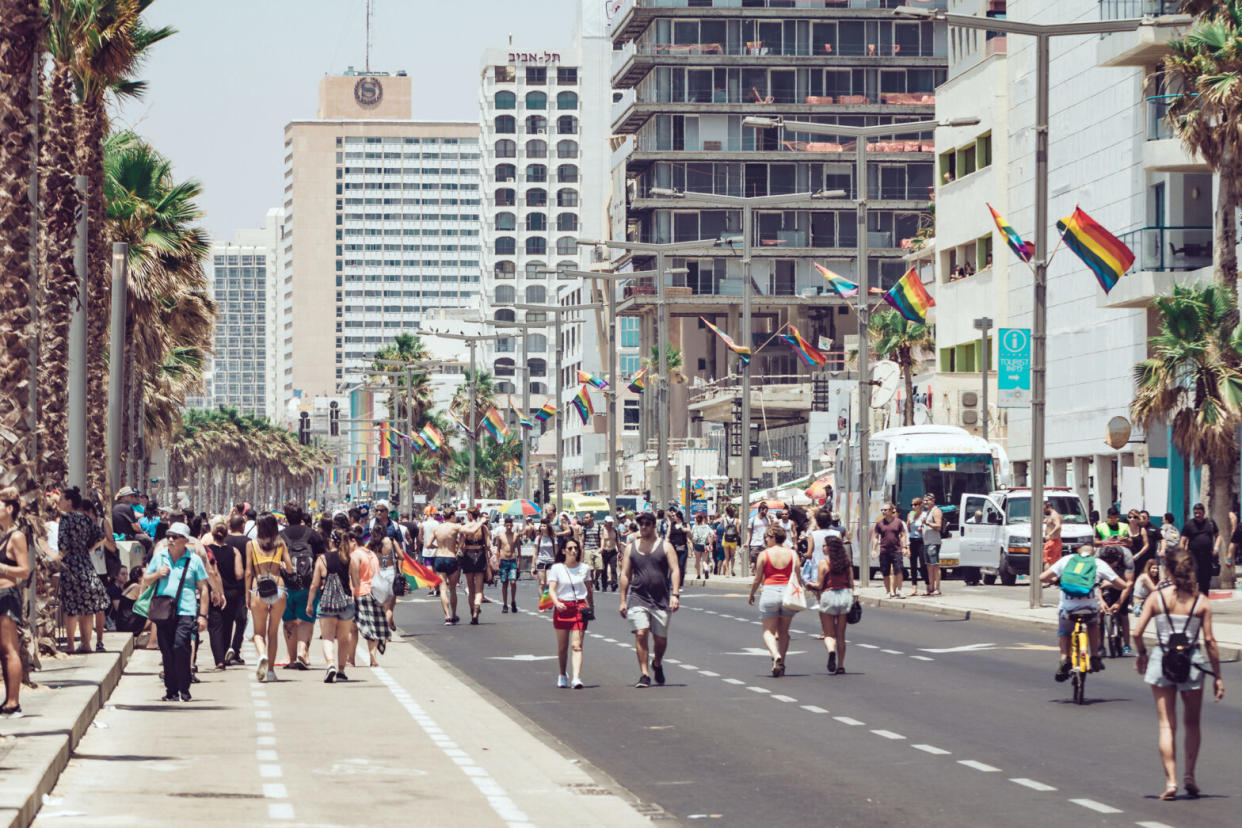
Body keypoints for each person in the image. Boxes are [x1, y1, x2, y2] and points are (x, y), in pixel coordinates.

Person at [1133, 549, 1224, 800]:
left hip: (1162, 658)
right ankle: (1189, 776)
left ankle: (1171, 781)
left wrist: (1141, 654)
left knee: (1166, 723)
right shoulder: (1201, 601)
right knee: (1192, 723)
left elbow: (1137, 632)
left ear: (1168, 570)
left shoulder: (1156, 598)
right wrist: (1217, 675)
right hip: (1192, 660)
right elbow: (1210, 641)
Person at [1039, 537, 1130, 681]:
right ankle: (1094, 656)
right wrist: (1108, 584)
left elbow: (1042, 577)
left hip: (1068, 607)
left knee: (1064, 631)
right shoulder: (1098, 563)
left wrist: (1053, 580)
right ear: (1093, 552)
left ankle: (1064, 658)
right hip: (1089, 608)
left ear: (1077, 551)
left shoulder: (1066, 559)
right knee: (1093, 624)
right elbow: (1122, 585)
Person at [142, 522, 210, 702]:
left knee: (181, 646)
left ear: (185, 540)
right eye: (168, 536)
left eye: (175, 537)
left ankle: (184, 687)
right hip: (164, 611)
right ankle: (171, 690)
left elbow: (203, 588)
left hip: (186, 610)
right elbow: (146, 580)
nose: (170, 540)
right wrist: (157, 574)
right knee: (167, 650)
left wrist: (202, 616)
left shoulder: (193, 560)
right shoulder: (160, 557)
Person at [619, 511, 680, 688]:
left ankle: (657, 663)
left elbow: (675, 570)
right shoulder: (631, 547)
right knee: (641, 632)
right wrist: (623, 600)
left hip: (661, 598)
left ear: (654, 526)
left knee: (660, 640)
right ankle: (644, 674)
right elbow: (625, 574)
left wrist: (675, 594)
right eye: (641, 524)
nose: (643, 527)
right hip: (638, 597)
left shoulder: (666, 546)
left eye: (647, 524)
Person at [55, 487, 111, 654]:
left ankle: (71, 644)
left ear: (69, 501)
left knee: (71, 607)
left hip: (71, 565)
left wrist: (56, 559)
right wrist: (87, 550)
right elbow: (101, 537)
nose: (59, 503)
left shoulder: (65, 520)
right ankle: (86, 644)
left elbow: (63, 545)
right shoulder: (85, 518)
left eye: (62, 500)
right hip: (86, 563)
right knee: (87, 607)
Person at [307, 526, 360, 683]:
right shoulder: (350, 560)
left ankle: (330, 664)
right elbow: (356, 584)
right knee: (344, 639)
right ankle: (342, 671)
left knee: (328, 638)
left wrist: (310, 604)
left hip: (326, 603)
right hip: (346, 603)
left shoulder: (322, 560)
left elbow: (314, 585)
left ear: (331, 541)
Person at [245, 514, 293, 682]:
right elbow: (290, 569)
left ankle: (262, 655)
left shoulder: (250, 545)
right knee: (273, 632)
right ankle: (271, 671)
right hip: (278, 589)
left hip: (258, 590)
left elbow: (248, 572)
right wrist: (279, 564)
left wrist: (246, 596)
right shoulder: (281, 545)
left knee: (258, 633)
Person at [748, 525, 801, 677]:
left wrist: (751, 593)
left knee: (768, 631)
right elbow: (798, 576)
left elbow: (758, 578)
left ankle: (775, 654)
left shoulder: (764, 554)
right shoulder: (792, 554)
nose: (765, 539)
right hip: (787, 593)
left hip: (770, 592)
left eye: (767, 537)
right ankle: (782, 662)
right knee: (784, 632)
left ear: (773, 538)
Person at [279, 503, 325, 670]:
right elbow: (321, 559)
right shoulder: (313, 535)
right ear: (302, 516)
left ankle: (291, 659)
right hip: (308, 584)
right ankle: (302, 651)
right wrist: (322, 581)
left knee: (288, 620)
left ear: (285, 517)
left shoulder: (280, 536)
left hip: (286, 584)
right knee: (306, 619)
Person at [0, 487, 32, 717]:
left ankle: (13, 702)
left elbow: (24, 570)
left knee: (10, 649)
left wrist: (2, 568)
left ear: (9, 508)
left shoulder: (17, 536)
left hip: (7, 596)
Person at [548, 538, 593, 689]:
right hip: (562, 607)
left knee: (577, 645)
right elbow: (552, 589)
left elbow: (589, 590)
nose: (574, 551)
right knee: (562, 647)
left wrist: (591, 607)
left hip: (579, 607)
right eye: (570, 548)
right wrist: (556, 602)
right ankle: (562, 674)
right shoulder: (556, 568)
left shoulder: (585, 568)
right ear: (563, 551)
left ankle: (576, 677)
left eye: (576, 548)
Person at [203, 520, 242, 670]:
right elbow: (239, 574)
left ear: (212, 535)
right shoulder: (234, 551)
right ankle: (226, 652)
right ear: (226, 535)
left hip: (214, 591)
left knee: (215, 627)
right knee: (227, 624)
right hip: (232, 593)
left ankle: (219, 659)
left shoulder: (208, 551)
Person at [816, 535, 855, 675]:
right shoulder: (847, 562)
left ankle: (831, 652)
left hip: (828, 597)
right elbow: (851, 584)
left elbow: (819, 585)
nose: (823, 548)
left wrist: (809, 585)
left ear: (830, 548)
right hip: (844, 597)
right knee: (841, 635)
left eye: (824, 545)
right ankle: (840, 665)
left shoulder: (824, 563)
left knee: (828, 634)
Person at [355, 532, 391, 663]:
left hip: (360, 593)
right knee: (374, 626)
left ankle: (351, 659)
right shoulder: (374, 556)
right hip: (375, 593)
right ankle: (373, 656)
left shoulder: (356, 555)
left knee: (355, 628)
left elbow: (353, 577)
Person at [366, 501, 402, 633]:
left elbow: (365, 550)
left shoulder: (373, 542)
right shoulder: (390, 540)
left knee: (380, 604)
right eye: (377, 510)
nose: (379, 513)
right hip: (390, 571)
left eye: (381, 510)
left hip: (377, 572)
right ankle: (386, 628)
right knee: (389, 606)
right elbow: (401, 555)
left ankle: (382, 628)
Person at [221, 513, 250, 665]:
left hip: (225, 585)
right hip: (243, 586)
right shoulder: (249, 542)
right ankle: (235, 650)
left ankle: (225, 649)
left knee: (226, 620)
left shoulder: (224, 541)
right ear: (242, 526)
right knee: (241, 619)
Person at [458, 506, 492, 625]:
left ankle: (472, 610)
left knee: (470, 588)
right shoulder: (483, 528)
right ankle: (477, 610)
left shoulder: (465, 528)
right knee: (479, 589)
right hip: (481, 556)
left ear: (470, 515)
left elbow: (461, 545)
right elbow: (488, 545)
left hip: (468, 557)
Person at [431, 511, 463, 624]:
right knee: (453, 589)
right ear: (452, 516)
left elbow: (427, 544)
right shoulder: (455, 527)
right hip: (451, 557)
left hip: (439, 557)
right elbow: (466, 533)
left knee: (443, 589)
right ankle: (454, 614)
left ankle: (447, 615)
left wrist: (437, 546)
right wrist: (460, 546)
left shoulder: (437, 528)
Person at [1180, 503, 1218, 597]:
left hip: (1207, 557)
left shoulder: (1210, 522)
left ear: (1204, 513)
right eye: (1195, 513)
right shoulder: (1189, 524)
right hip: (1193, 557)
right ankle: (1192, 603)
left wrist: (1216, 548)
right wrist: (1182, 555)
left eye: (1199, 513)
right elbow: (1182, 541)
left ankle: (1203, 603)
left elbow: (1218, 536)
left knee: (1205, 582)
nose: (1197, 515)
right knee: (1192, 580)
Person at [871, 503, 908, 599]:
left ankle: (899, 590)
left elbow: (903, 535)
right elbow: (876, 537)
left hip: (896, 550)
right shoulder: (879, 523)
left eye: (885, 510)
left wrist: (904, 547)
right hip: (884, 550)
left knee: (898, 570)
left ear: (891, 511)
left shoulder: (898, 522)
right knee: (885, 572)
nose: (883, 512)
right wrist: (874, 549)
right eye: (882, 510)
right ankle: (888, 591)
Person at [111, 486, 153, 560]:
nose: (132, 497)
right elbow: (134, 526)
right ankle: (148, 561)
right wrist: (143, 533)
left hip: (119, 534)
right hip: (128, 535)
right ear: (124, 497)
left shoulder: (115, 507)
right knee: (149, 541)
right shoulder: (126, 508)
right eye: (131, 496)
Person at [494, 517, 521, 613]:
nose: (509, 527)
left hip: (512, 560)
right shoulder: (500, 536)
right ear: (504, 525)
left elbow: (519, 550)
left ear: (512, 525)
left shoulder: (516, 536)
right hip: (503, 561)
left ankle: (513, 601)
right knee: (504, 583)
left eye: (510, 525)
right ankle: (505, 604)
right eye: (507, 525)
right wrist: (497, 563)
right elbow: (498, 550)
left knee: (513, 582)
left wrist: (518, 563)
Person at [920, 493, 944, 595]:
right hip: (927, 542)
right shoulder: (927, 512)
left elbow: (938, 526)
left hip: (933, 543)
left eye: (927, 500)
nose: (925, 502)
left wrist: (927, 523)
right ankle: (930, 587)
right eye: (924, 500)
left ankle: (937, 588)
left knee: (935, 565)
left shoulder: (936, 511)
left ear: (933, 500)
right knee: (929, 566)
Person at [579, 512, 604, 591]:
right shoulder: (585, 528)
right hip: (587, 549)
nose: (585, 519)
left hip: (597, 549)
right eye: (585, 517)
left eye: (587, 517)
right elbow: (582, 540)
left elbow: (602, 538)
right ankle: (592, 583)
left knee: (600, 567)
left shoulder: (599, 527)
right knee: (590, 569)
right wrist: (581, 550)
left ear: (592, 518)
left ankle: (596, 579)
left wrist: (602, 548)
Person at [906, 496, 925, 596]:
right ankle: (914, 588)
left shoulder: (924, 515)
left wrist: (922, 528)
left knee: (923, 564)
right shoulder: (911, 514)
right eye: (912, 505)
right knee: (913, 565)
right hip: (912, 540)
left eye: (915, 504)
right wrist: (908, 522)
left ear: (920, 505)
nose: (913, 507)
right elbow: (908, 530)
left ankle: (928, 586)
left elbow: (926, 526)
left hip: (921, 540)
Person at [746, 502, 772, 576]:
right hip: (755, 544)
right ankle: (756, 573)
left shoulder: (767, 519)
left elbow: (771, 529)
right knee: (754, 561)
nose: (766, 512)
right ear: (760, 509)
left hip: (765, 544)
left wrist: (771, 520)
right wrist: (747, 542)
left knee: (763, 562)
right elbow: (749, 532)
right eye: (765, 511)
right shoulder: (752, 519)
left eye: (767, 511)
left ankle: (758, 575)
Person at [531, 520, 557, 590]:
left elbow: (556, 552)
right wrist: (533, 566)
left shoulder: (553, 538)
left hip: (551, 562)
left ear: (548, 527)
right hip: (540, 561)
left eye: (544, 526)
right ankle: (541, 600)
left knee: (549, 583)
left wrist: (557, 563)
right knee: (542, 583)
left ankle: (548, 600)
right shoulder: (538, 538)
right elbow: (535, 553)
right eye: (541, 526)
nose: (542, 527)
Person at [690, 512, 714, 581]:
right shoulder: (706, 526)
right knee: (704, 560)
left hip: (697, 544)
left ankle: (698, 575)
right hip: (705, 545)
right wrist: (710, 544)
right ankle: (706, 569)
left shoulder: (695, 527)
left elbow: (692, 536)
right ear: (702, 519)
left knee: (697, 561)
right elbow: (712, 534)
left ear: (696, 520)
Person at [600, 516, 620, 591]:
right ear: (605, 522)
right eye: (608, 522)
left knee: (613, 568)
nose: (610, 524)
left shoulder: (614, 530)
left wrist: (620, 551)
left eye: (611, 522)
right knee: (604, 569)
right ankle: (604, 585)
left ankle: (614, 583)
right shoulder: (602, 530)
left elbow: (617, 540)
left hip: (613, 551)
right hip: (604, 551)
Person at [1042, 502, 1063, 570]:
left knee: (1047, 560)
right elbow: (1053, 523)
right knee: (1054, 561)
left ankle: (1047, 578)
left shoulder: (1054, 515)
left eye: (1044, 509)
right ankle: (1053, 578)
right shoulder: (1053, 515)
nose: (1044, 511)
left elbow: (1058, 526)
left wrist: (1049, 534)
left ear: (1049, 507)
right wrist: (1046, 521)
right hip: (1056, 541)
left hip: (1052, 541)